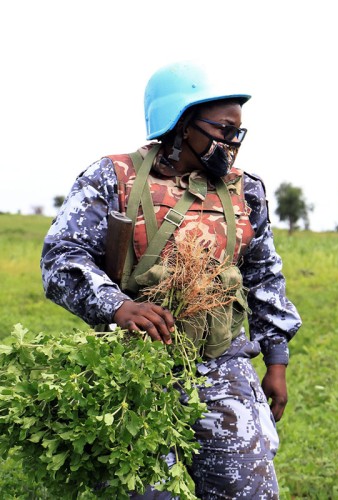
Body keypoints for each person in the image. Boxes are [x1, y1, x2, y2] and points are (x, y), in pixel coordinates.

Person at [41, 61, 302, 498]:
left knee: (247, 487)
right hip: (136, 368)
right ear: (180, 121)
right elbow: (61, 258)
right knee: (145, 488)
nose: (233, 142)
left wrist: (276, 361)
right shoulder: (112, 178)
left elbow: (263, 276)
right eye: (224, 129)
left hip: (222, 364)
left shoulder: (246, 191)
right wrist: (118, 306)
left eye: (239, 132)